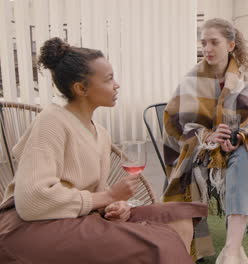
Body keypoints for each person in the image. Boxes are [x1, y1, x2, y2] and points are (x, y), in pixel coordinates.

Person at [0, 37, 207, 264]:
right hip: (30, 227)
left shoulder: (100, 132)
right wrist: (108, 196)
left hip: (78, 216)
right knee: (159, 243)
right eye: (109, 79)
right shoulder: (51, 121)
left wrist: (115, 205)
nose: (116, 85)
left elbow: (95, 190)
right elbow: (32, 202)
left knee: (179, 216)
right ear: (81, 88)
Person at [162, 18, 248, 264]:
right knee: (242, 157)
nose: (207, 49)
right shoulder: (191, 80)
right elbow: (175, 125)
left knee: (247, 154)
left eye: (214, 42)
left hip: (228, 150)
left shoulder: (240, 83)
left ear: (231, 45)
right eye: (204, 43)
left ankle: (231, 251)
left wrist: (235, 137)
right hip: (193, 152)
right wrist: (207, 137)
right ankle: (230, 251)